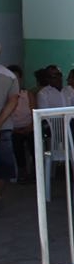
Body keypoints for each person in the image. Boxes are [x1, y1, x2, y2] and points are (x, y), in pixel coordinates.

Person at [7, 65, 35, 183]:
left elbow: (35, 112)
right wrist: (14, 129)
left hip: (29, 127)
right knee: (16, 140)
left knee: (34, 141)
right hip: (14, 129)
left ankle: (36, 171)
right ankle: (22, 172)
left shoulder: (28, 94)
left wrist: (30, 126)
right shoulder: (5, 96)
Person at [0, 48, 20, 206]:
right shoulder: (10, 76)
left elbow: (13, 101)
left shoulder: (9, 76)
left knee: (3, 169)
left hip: (3, 129)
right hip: (3, 127)